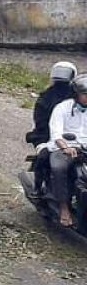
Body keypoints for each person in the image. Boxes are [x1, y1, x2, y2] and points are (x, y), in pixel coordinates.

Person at [27, 61, 77, 192]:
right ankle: (38, 188)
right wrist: (50, 139)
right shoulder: (45, 98)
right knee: (43, 157)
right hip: (48, 136)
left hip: (74, 136)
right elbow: (40, 123)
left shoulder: (77, 96)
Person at [46, 74, 87, 227]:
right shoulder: (62, 108)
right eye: (85, 94)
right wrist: (66, 147)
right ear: (76, 94)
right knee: (59, 168)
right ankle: (64, 207)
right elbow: (56, 133)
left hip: (85, 149)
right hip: (64, 148)